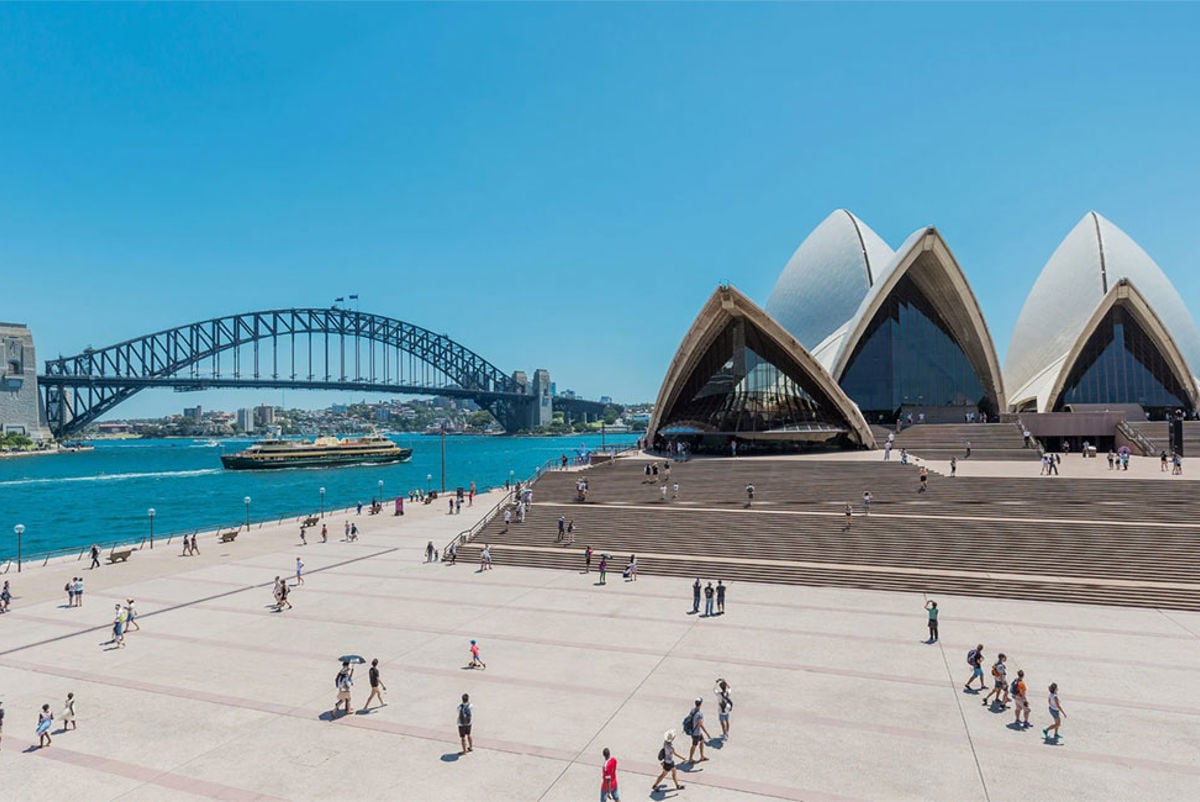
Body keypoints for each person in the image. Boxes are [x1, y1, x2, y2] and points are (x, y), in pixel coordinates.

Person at [685, 697, 711, 763]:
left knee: (702, 741)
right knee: (694, 745)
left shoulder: (692, 710)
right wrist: (707, 733)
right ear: (701, 704)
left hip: (694, 731)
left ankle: (702, 756)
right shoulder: (699, 714)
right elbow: (701, 725)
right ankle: (690, 759)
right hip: (696, 733)